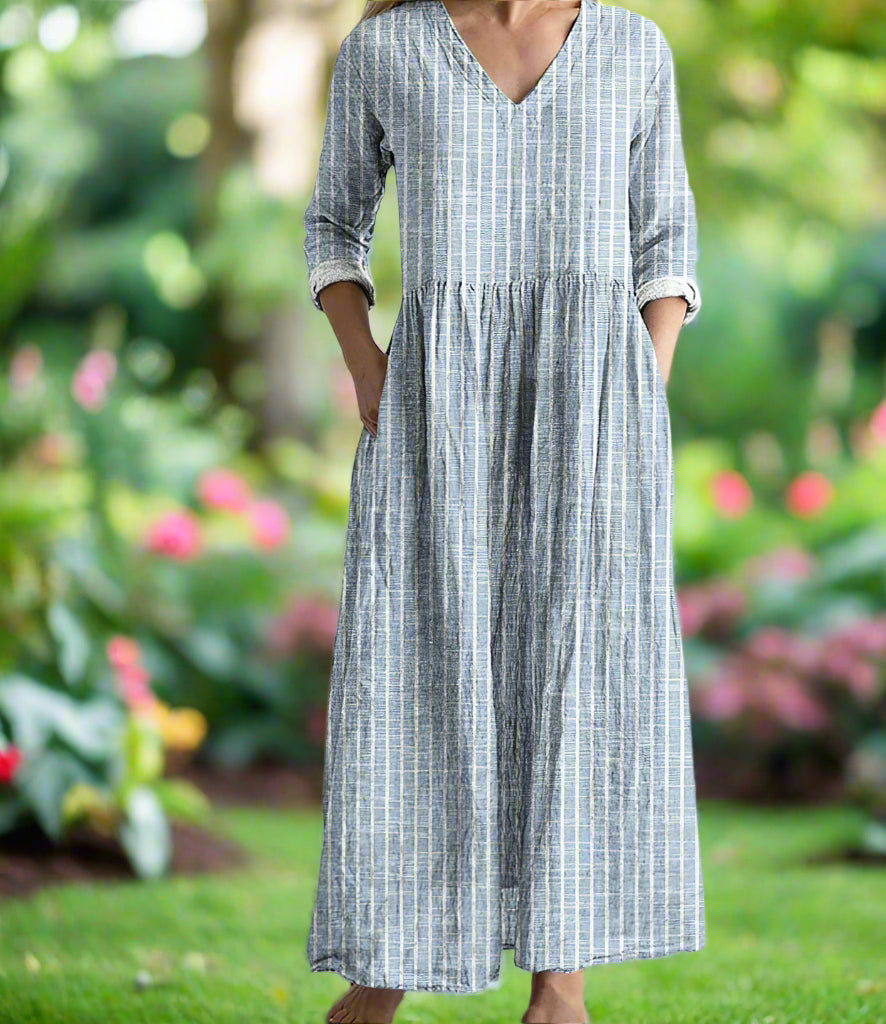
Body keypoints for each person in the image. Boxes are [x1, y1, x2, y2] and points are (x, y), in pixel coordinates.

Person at [303, 1, 706, 1021]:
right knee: (415, 666)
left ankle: (559, 990)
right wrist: (368, 370)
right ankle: (382, 973)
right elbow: (333, 225)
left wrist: (638, 390)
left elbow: (665, 239)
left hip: (596, 409)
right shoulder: (388, 49)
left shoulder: (632, 48)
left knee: (577, 667)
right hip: (436, 402)